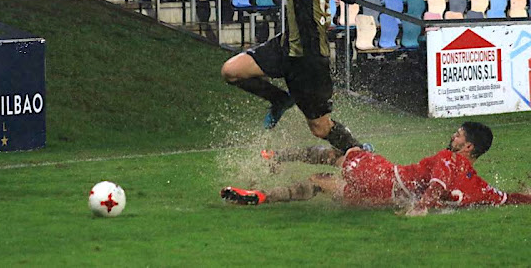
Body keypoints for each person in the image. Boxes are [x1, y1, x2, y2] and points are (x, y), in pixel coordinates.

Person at [221, 0, 370, 153]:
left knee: (320, 128)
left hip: (308, 60)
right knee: (231, 71)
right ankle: (280, 99)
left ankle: (360, 152)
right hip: (286, 46)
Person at [221, 122, 531, 216]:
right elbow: (502, 197)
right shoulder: (475, 181)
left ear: (468, 148)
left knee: (343, 152)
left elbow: (437, 183)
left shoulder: (448, 158)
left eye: (459, 135)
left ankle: (275, 156)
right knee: (319, 183)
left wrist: (421, 207)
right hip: (382, 199)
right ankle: (260, 196)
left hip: (383, 176)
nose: (453, 136)